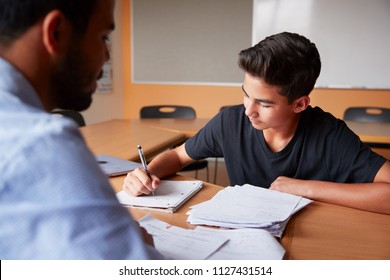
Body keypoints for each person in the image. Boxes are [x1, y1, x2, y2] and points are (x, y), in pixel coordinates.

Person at [123, 32, 390, 215]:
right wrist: (147, 175)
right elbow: (178, 156)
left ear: (299, 104)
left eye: (264, 103)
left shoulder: (329, 135)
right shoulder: (230, 121)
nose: (248, 110)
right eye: (246, 94)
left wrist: (305, 188)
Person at [0, 0, 162, 259]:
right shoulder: (42, 142)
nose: (107, 56)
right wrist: (142, 247)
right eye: (104, 37)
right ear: (56, 34)